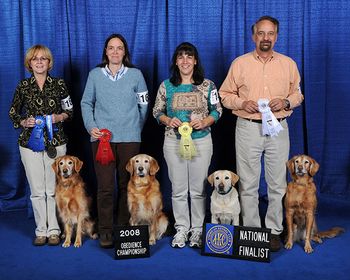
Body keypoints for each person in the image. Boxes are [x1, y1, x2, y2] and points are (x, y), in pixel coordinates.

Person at [219, 16, 304, 251]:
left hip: (278, 128)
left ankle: (274, 230)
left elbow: (298, 95)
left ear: (276, 36)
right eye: (261, 33)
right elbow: (224, 94)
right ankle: (253, 231)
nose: (265, 38)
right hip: (247, 127)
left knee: (278, 183)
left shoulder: (288, 64)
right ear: (253, 35)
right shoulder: (240, 63)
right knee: (248, 183)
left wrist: (286, 101)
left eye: (270, 34)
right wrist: (241, 102)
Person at [81, 33, 149, 248]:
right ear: (105, 52)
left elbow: (144, 105)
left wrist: (134, 128)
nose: (115, 52)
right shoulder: (94, 75)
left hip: (129, 138)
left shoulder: (136, 75)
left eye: (120, 48)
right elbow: (85, 103)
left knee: (127, 185)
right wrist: (92, 127)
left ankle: (123, 227)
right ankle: (106, 231)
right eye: (111, 48)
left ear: (125, 52)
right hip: (102, 141)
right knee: (105, 186)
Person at [153, 42, 222, 248]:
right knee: (179, 188)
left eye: (189, 57)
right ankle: (182, 228)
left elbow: (217, 110)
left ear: (195, 61)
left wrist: (206, 121)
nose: (185, 61)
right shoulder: (166, 86)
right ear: (176, 61)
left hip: (201, 141)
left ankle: (198, 230)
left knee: (199, 189)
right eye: (181, 57)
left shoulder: (208, 85)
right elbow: (157, 111)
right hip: (174, 142)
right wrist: (167, 120)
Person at [9, 44, 73, 246]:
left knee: (53, 188)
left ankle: (54, 230)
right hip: (29, 144)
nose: (39, 62)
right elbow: (13, 112)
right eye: (35, 59)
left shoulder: (60, 84)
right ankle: (41, 230)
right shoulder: (23, 86)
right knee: (37, 190)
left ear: (49, 62)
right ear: (29, 63)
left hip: (56, 142)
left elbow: (70, 111)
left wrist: (59, 116)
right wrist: (22, 121)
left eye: (43, 59)